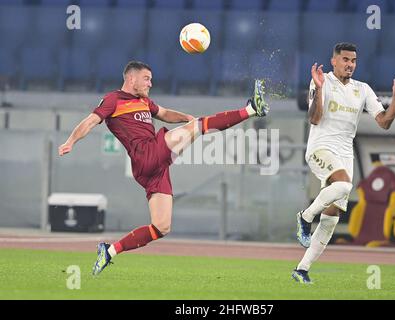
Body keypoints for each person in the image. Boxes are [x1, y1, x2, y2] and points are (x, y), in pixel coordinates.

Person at [58, 61, 269, 275]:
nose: (151, 83)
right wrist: (70, 141)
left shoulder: (144, 101)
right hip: (146, 154)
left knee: (161, 227)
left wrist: (185, 118)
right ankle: (252, 109)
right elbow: (90, 122)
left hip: (153, 169)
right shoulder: (113, 100)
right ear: (131, 79)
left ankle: (110, 251)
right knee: (200, 127)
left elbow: (164, 113)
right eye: (146, 78)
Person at [292, 43, 395, 284]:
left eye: (354, 61)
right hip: (321, 148)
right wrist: (318, 89)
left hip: (344, 155)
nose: (350, 64)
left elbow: (384, 122)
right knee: (344, 185)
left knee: (332, 216)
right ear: (334, 61)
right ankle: (305, 218)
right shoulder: (322, 80)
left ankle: (302, 269)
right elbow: (314, 119)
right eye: (345, 59)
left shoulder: (363, 89)